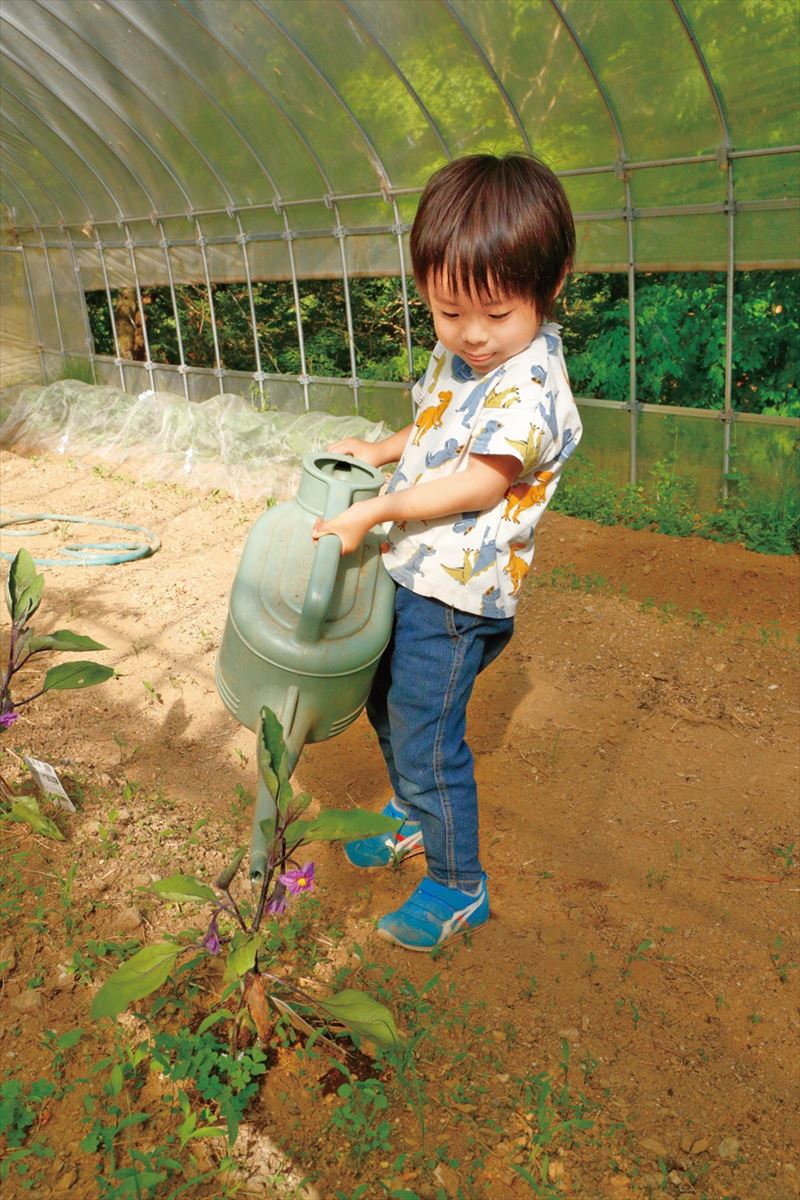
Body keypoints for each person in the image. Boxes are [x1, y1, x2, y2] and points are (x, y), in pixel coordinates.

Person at [311, 153, 582, 951]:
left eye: (496, 314)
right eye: (447, 310)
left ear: (551, 281)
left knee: (428, 730)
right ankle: (409, 815)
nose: (471, 335)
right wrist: (380, 447)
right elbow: (438, 425)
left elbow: (474, 482)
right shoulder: (467, 356)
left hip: (460, 598)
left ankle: (458, 883)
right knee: (385, 697)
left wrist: (381, 509)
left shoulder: (532, 385)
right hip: (416, 568)